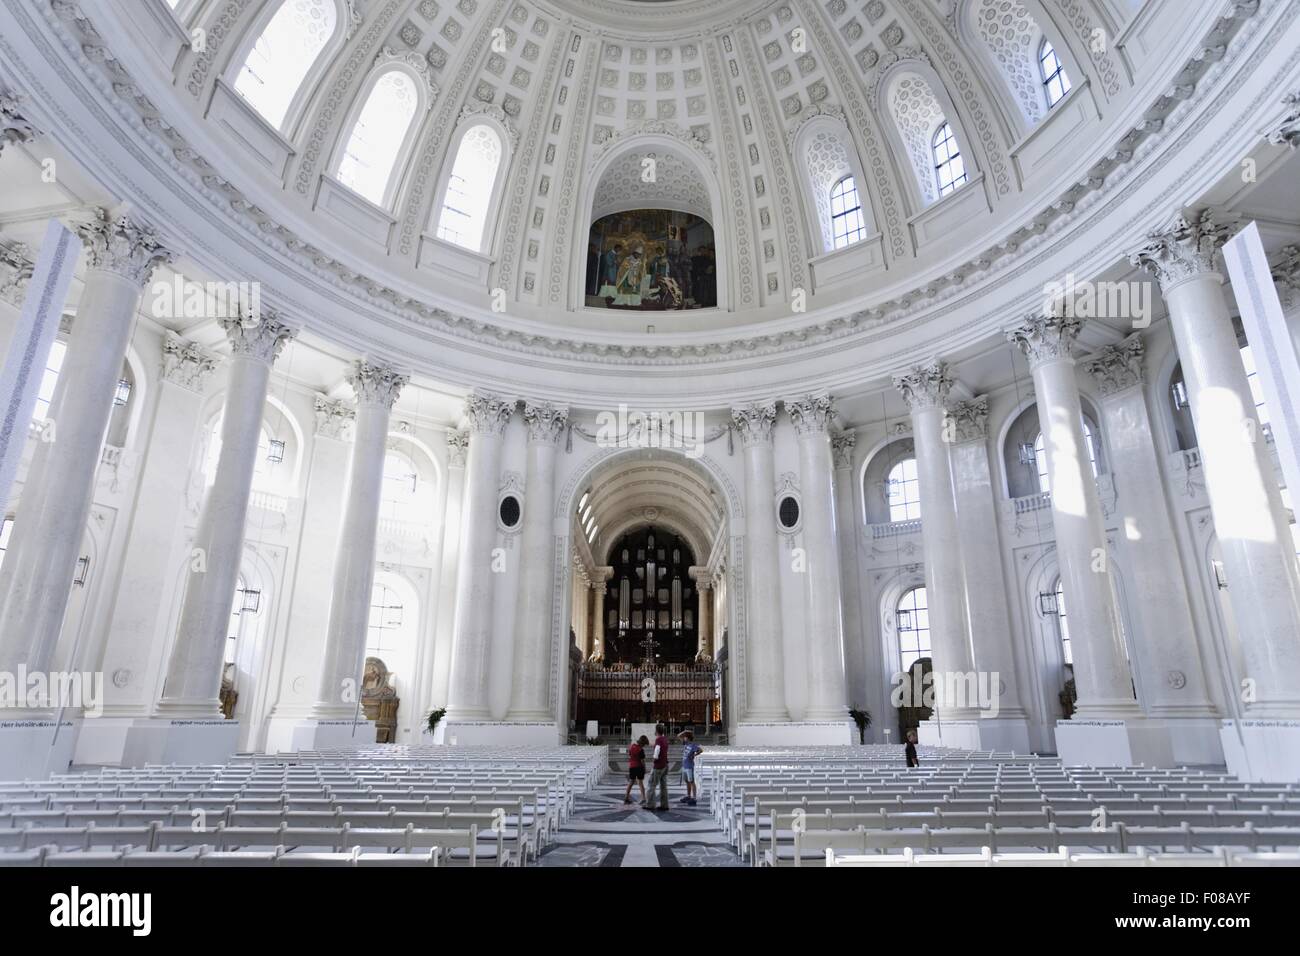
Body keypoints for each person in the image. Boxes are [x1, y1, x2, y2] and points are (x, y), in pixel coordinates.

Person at [646, 723, 671, 811]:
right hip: (665, 764)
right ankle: (665, 805)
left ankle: (650, 804)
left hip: (659, 765)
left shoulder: (659, 739)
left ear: (656, 731)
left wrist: (654, 759)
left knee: (651, 785)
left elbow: (657, 750)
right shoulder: (665, 739)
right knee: (663, 786)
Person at [677, 729, 702, 806]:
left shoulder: (693, 745)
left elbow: (700, 750)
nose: (683, 738)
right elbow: (678, 736)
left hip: (689, 766)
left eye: (685, 737)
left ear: (687, 738)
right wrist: (685, 732)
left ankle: (694, 798)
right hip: (684, 765)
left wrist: (694, 755)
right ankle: (688, 795)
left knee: (691, 781)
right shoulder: (686, 744)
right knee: (687, 781)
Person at [624, 734, 648, 805]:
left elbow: (630, 755)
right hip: (639, 767)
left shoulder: (632, 746)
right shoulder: (641, 750)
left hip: (632, 767)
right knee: (640, 783)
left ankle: (626, 797)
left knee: (631, 782)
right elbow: (642, 761)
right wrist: (645, 769)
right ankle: (643, 798)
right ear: (643, 744)